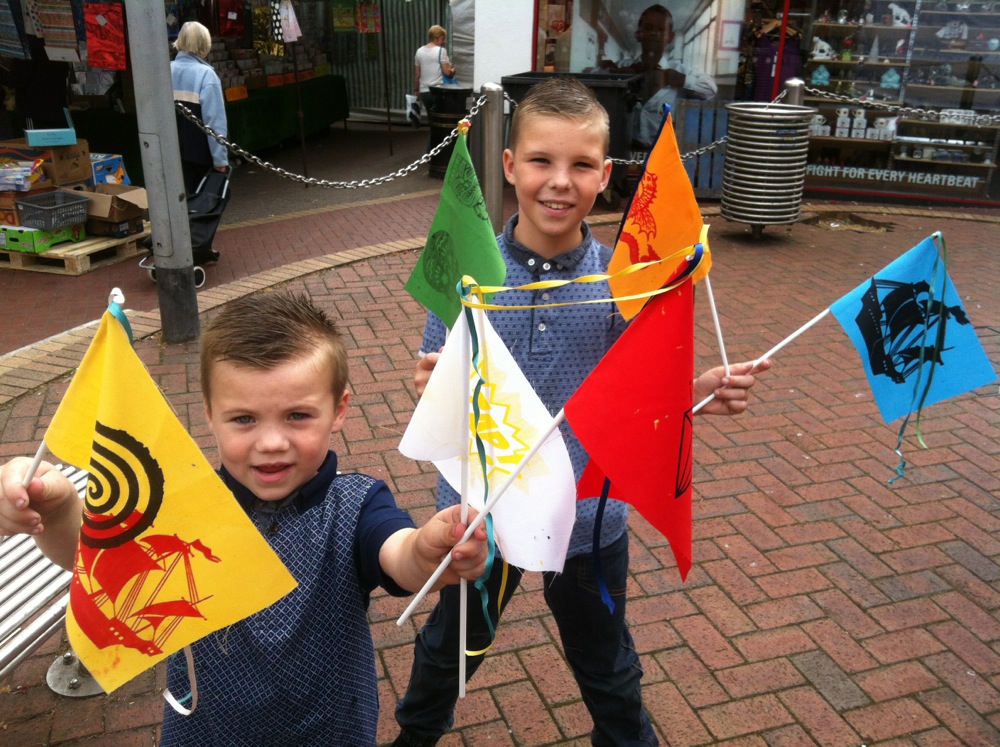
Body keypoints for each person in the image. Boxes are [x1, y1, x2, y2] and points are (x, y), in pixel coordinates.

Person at [393, 77, 770, 747]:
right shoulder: (469, 272)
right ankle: (415, 736)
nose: (560, 181)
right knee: (449, 649)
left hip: (588, 517)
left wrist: (700, 389)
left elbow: (643, 397)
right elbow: (437, 385)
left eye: (581, 164)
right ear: (510, 165)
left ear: (605, 174)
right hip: (481, 511)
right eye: (541, 160)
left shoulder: (626, 281)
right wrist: (432, 385)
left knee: (607, 664)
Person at [0, 292, 489, 746]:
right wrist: (57, 508)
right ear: (210, 414)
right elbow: (92, 557)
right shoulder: (186, 507)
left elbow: (397, 553)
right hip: (205, 729)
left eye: (298, 416)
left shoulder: (357, 503)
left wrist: (426, 551)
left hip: (329, 729)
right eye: (244, 419)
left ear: (339, 410)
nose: (271, 442)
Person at [602, 4, 717, 148]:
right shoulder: (623, 66)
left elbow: (710, 90)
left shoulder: (679, 70)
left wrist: (683, 80)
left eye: (661, 29)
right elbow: (591, 78)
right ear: (638, 34)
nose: (654, 33)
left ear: (670, 37)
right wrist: (616, 75)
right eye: (648, 28)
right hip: (622, 150)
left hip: (662, 152)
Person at [171, 21, 229, 196]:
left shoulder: (166, 70)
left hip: (174, 151)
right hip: (201, 153)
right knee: (206, 200)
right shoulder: (206, 74)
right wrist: (220, 159)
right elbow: (214, 121)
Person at [413, 25, 455, 144]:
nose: (444, 42)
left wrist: (416, 90)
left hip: (424, 92)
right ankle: (437, 148)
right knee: (441, 122)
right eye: (442, 39)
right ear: (436, 38)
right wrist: (453, 70)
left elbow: (417, 74)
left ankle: (432, 148)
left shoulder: (419, 51)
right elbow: (447, 72)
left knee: (432, 122)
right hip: (438, 91)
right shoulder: (441, 51)